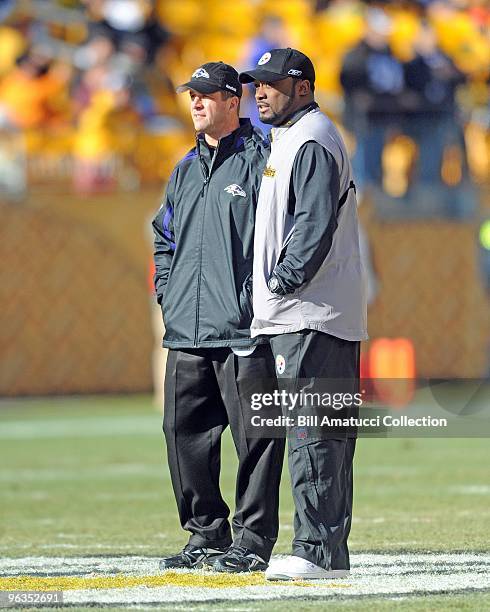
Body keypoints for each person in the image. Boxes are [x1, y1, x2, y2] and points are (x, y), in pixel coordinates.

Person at [239, 48, 368, 580]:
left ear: (303, 88)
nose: (259, 92)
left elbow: (312, 224)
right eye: (256, 85)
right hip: (297, 313)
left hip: (309, 313)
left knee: (314, 434)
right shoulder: (290, 138)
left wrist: (280, 280)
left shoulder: (311, 138)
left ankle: (316, 550)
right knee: (317, 433)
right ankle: (325, 550)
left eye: (271, 84)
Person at [152, 61, 285, 573]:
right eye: (193, 95)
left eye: (208, 95)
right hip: (187, 328)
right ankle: (205, 534)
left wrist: (257, 298)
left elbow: (283, 233)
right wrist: (169, 291)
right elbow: (163, 236)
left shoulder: (262, 160)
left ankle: (252, 542)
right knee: (182, 435)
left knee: (256, 437)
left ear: (235, 102)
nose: (197, 103)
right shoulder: (183, 169)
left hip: (244, 330)